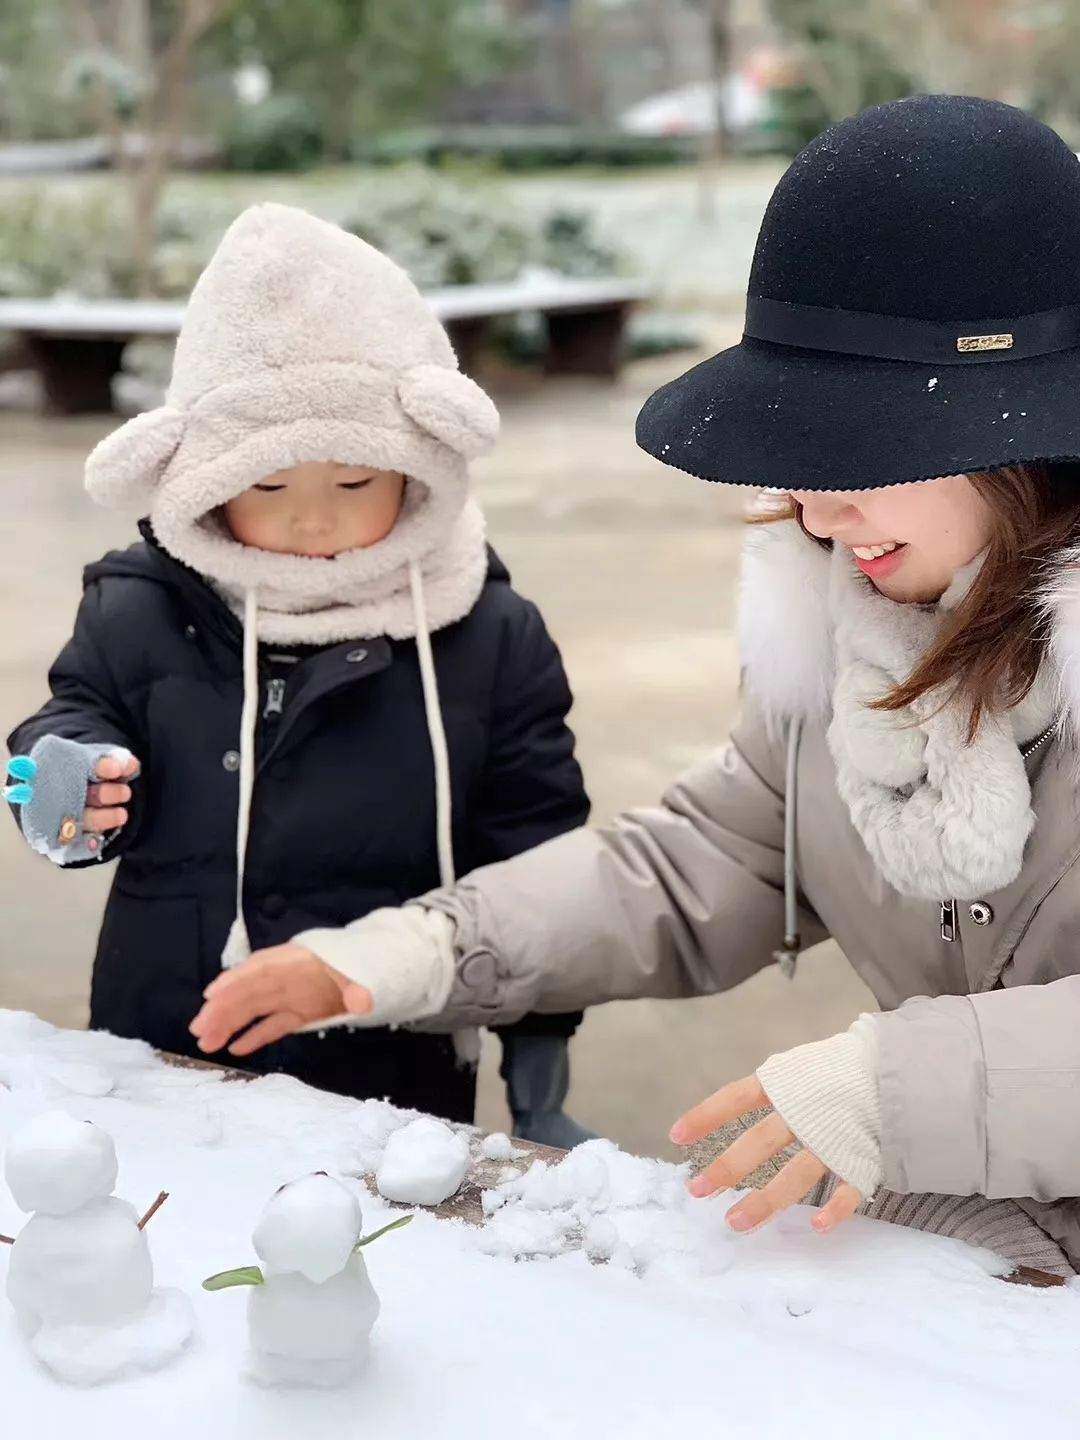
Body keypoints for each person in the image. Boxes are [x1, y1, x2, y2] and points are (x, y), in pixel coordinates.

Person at [190, 96, 1080, 1276]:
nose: (816, 513)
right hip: (999, 1264)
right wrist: (419, 954)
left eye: (858, 454)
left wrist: (898, 1087)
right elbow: (703, 864)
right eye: (801, 462)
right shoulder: (857, 645)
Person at [6, 203, 592, 1146]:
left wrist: (538, 1058)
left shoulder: (486, 634)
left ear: (421, 464)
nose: (313, 522)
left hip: (390, 1065)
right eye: (268, 488)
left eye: (356, 484)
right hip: (171, 1042)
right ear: (198, 480)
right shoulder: (141, 607)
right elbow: (80, 710)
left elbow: (539, 859)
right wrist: (70, 777)